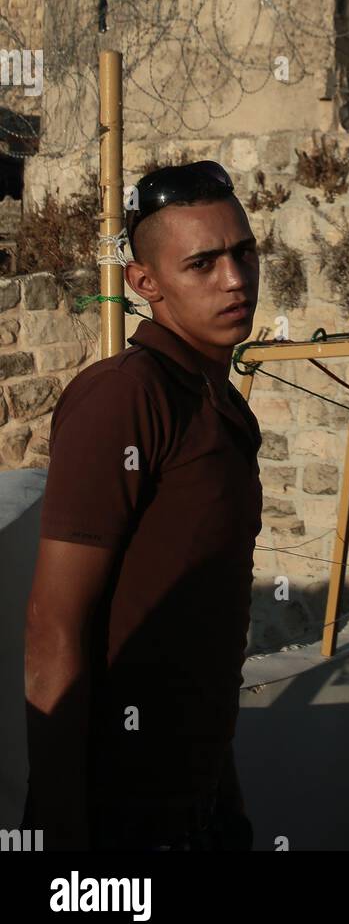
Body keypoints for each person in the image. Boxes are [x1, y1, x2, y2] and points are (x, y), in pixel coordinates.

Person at [20, 161, 263, 851]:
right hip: (116, 820)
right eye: (203, 264)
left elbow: (203, 630)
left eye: (243, 253)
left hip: (200, 812)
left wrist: (224, 793)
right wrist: (68, 841)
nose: (235, 280)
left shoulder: (220, 408)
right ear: (145, 283)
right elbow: (52, 625)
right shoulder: (127, 396)